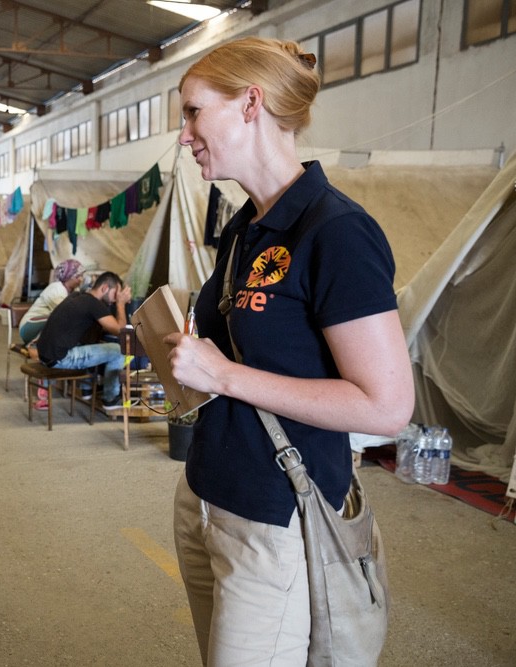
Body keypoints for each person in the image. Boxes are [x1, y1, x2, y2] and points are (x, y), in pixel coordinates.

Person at [163, 37, 413, 665]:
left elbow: (386, 409)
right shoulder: (245, 228)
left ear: (250, 104)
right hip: (204, 497)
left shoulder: (337, 232)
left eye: (194, 111)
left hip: (274, 520)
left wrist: (226, 375)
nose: (184, 133)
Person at [35, 271, 132, 412]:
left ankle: (86, 390)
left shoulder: (77, 296)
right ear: (104, 288)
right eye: (115, 293)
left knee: (93, 344)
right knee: (119, 350)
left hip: (45, 354)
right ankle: (110, 399)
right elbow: (120, 331)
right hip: (60, 358)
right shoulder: (93, 304)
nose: (115, 298)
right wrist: (121, 304)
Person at [17, 258, 85, 345]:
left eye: (82, 276)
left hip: (42, 327)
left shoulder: (73, 291)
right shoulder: (56, 289)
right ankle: (35, 347)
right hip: (28, 327)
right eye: (78, 276)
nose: (81, 279)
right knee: (61, 317)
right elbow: (66, 313)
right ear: (69, 277)